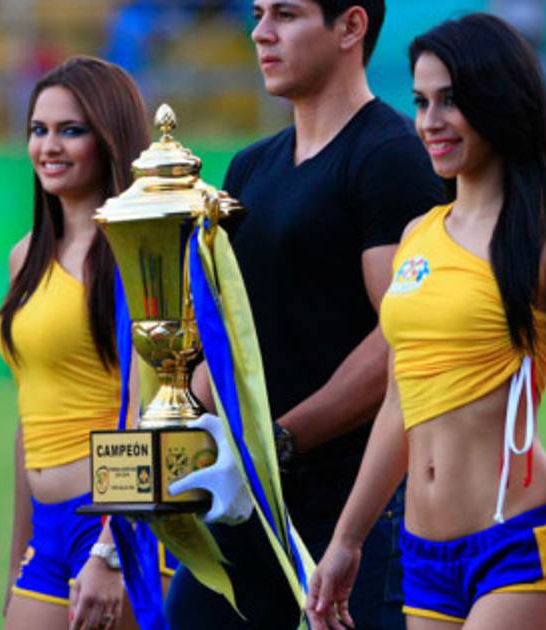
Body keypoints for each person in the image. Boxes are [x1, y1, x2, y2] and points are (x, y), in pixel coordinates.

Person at [307, 14, 546, 630]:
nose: (430, 122)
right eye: (421, 102)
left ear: (499, 100)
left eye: (450, 100)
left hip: (518, 542)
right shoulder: (417, 235)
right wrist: (347, 539)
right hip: (424, 556)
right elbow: (400, 401)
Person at [170, 1, 447, 628]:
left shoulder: (391, 156)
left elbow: (401, 338)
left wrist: (282, 440)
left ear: (351, 26)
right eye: (258, 13)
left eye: (286, 15)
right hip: (250, 498)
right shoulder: (249, 167)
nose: (260, 32)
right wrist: (183, 425)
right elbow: (228, 335)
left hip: (359, 502)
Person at [0, 56, 151, 630]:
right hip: (47, 529)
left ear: (109, 138)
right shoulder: (25, 256)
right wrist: (17, 556)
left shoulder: (140, 250)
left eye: (71, 130)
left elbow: (151, 408)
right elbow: (29, 415)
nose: (49, 146)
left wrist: (111, 547)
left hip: (116, 522)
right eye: (38, 129)